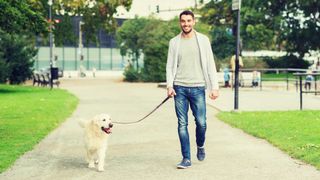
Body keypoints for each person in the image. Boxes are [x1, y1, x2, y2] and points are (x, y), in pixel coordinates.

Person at [166, 10, 219, 169]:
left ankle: (200, 145)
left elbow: (210, 64)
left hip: (198, 87)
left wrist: (214, 87)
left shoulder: (203, 40)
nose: (186, 24)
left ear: (194, 22)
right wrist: (170, 85)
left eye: (189, 21)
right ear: (180, 23)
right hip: (180, 88)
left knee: (201, 123)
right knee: (182, 124)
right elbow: (170, 66)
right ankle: (186, 158)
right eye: (183, 21)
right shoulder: (174, 42)